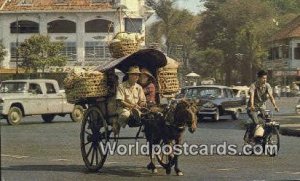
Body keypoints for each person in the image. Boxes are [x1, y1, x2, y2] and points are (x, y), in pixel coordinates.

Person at [113, 66, 146, 134]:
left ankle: (136, 117)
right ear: (129, 75)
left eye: (137, 75)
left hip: (136, 108)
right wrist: (131, 106)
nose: (136, 76)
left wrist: (142, 104)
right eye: (134, 74)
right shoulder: (121, 86)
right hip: (124, 108)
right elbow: (120, 101)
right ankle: (117, 124)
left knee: (145, 116)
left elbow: (143, 100)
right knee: (126, 114)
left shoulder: (139, 87)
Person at [247, 70, 279, 137]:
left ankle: (264, 137)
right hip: (252, 107)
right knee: (256, 122)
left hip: (262, 107)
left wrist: (275, 106)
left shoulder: (267, 85)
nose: (265, 80)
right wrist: (252, 105)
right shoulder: (253, 85)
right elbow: (252, 96)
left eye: (266, 78)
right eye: (263, 78)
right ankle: (250, 135)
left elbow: (271, 96)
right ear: (259, 78)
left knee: (267, 122)